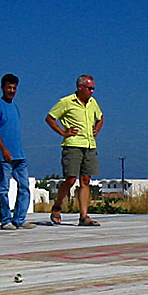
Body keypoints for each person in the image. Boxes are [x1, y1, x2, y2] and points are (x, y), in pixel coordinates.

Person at [45, 74, 104, 226]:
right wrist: (63, 132)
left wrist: (97, 129)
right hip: (73, 145)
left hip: (90, 145)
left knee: (86, 180)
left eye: (93, 89)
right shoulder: (66, 102)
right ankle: (57, 205)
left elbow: (100, 117)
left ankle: (84, 216)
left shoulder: (93, 102)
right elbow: (50, 118)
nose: (92, 91)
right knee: (71, 179)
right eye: (89, 88)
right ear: (80, 87)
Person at [0, 73, 35, 230]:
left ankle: (19, 219)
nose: (12, 91)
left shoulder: (15, 107)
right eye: (9, 87)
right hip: (3, 156)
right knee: (4, 189)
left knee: (25, 186)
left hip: (19, 155)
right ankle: (5, 220)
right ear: (2, 88)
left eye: (14, 88)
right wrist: (3, 149)